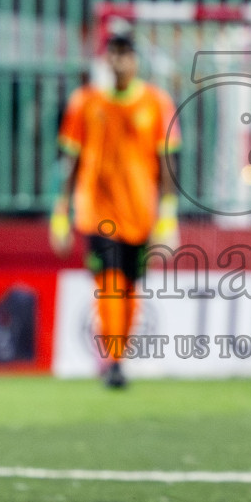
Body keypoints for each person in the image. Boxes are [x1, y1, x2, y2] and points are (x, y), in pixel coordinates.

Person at [50, 31, 181, 389]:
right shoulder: (85, 102)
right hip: (96, 210)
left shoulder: (156, 102)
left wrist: (168, 213)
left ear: (135, 60)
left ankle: (118, 357)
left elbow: (167, 161)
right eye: (113, 54)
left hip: (140, 213)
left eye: (125, 54)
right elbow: (71, 161)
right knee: (108, 283)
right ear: (105, 59)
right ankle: (112, 360)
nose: (119, 61)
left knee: (130, 289)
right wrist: (61, 210)